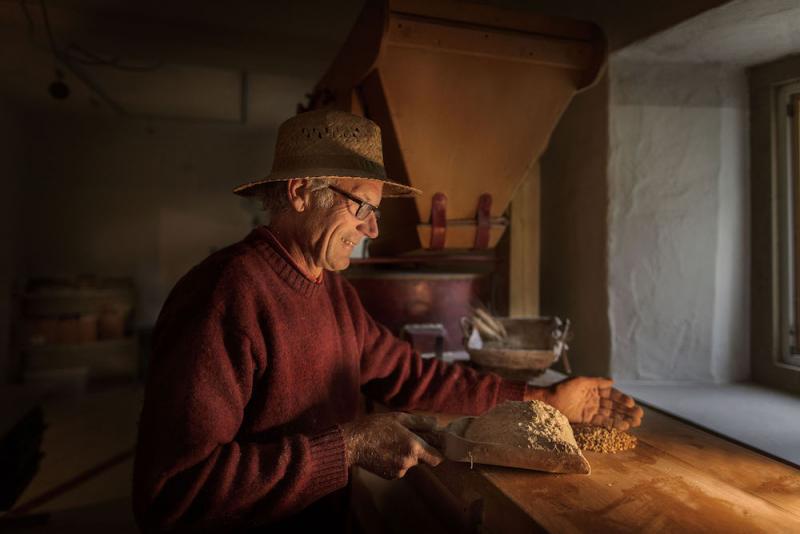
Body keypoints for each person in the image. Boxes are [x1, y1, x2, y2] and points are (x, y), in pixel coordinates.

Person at [132, 109, 643, 533]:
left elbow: (414, 376)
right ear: (300, 192)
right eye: (361, 206)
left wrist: (545, 402)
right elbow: (176, 491)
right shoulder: (225, 295)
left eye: (374, 211)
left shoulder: (331, 291)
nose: (372, 228)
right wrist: (348, 445)